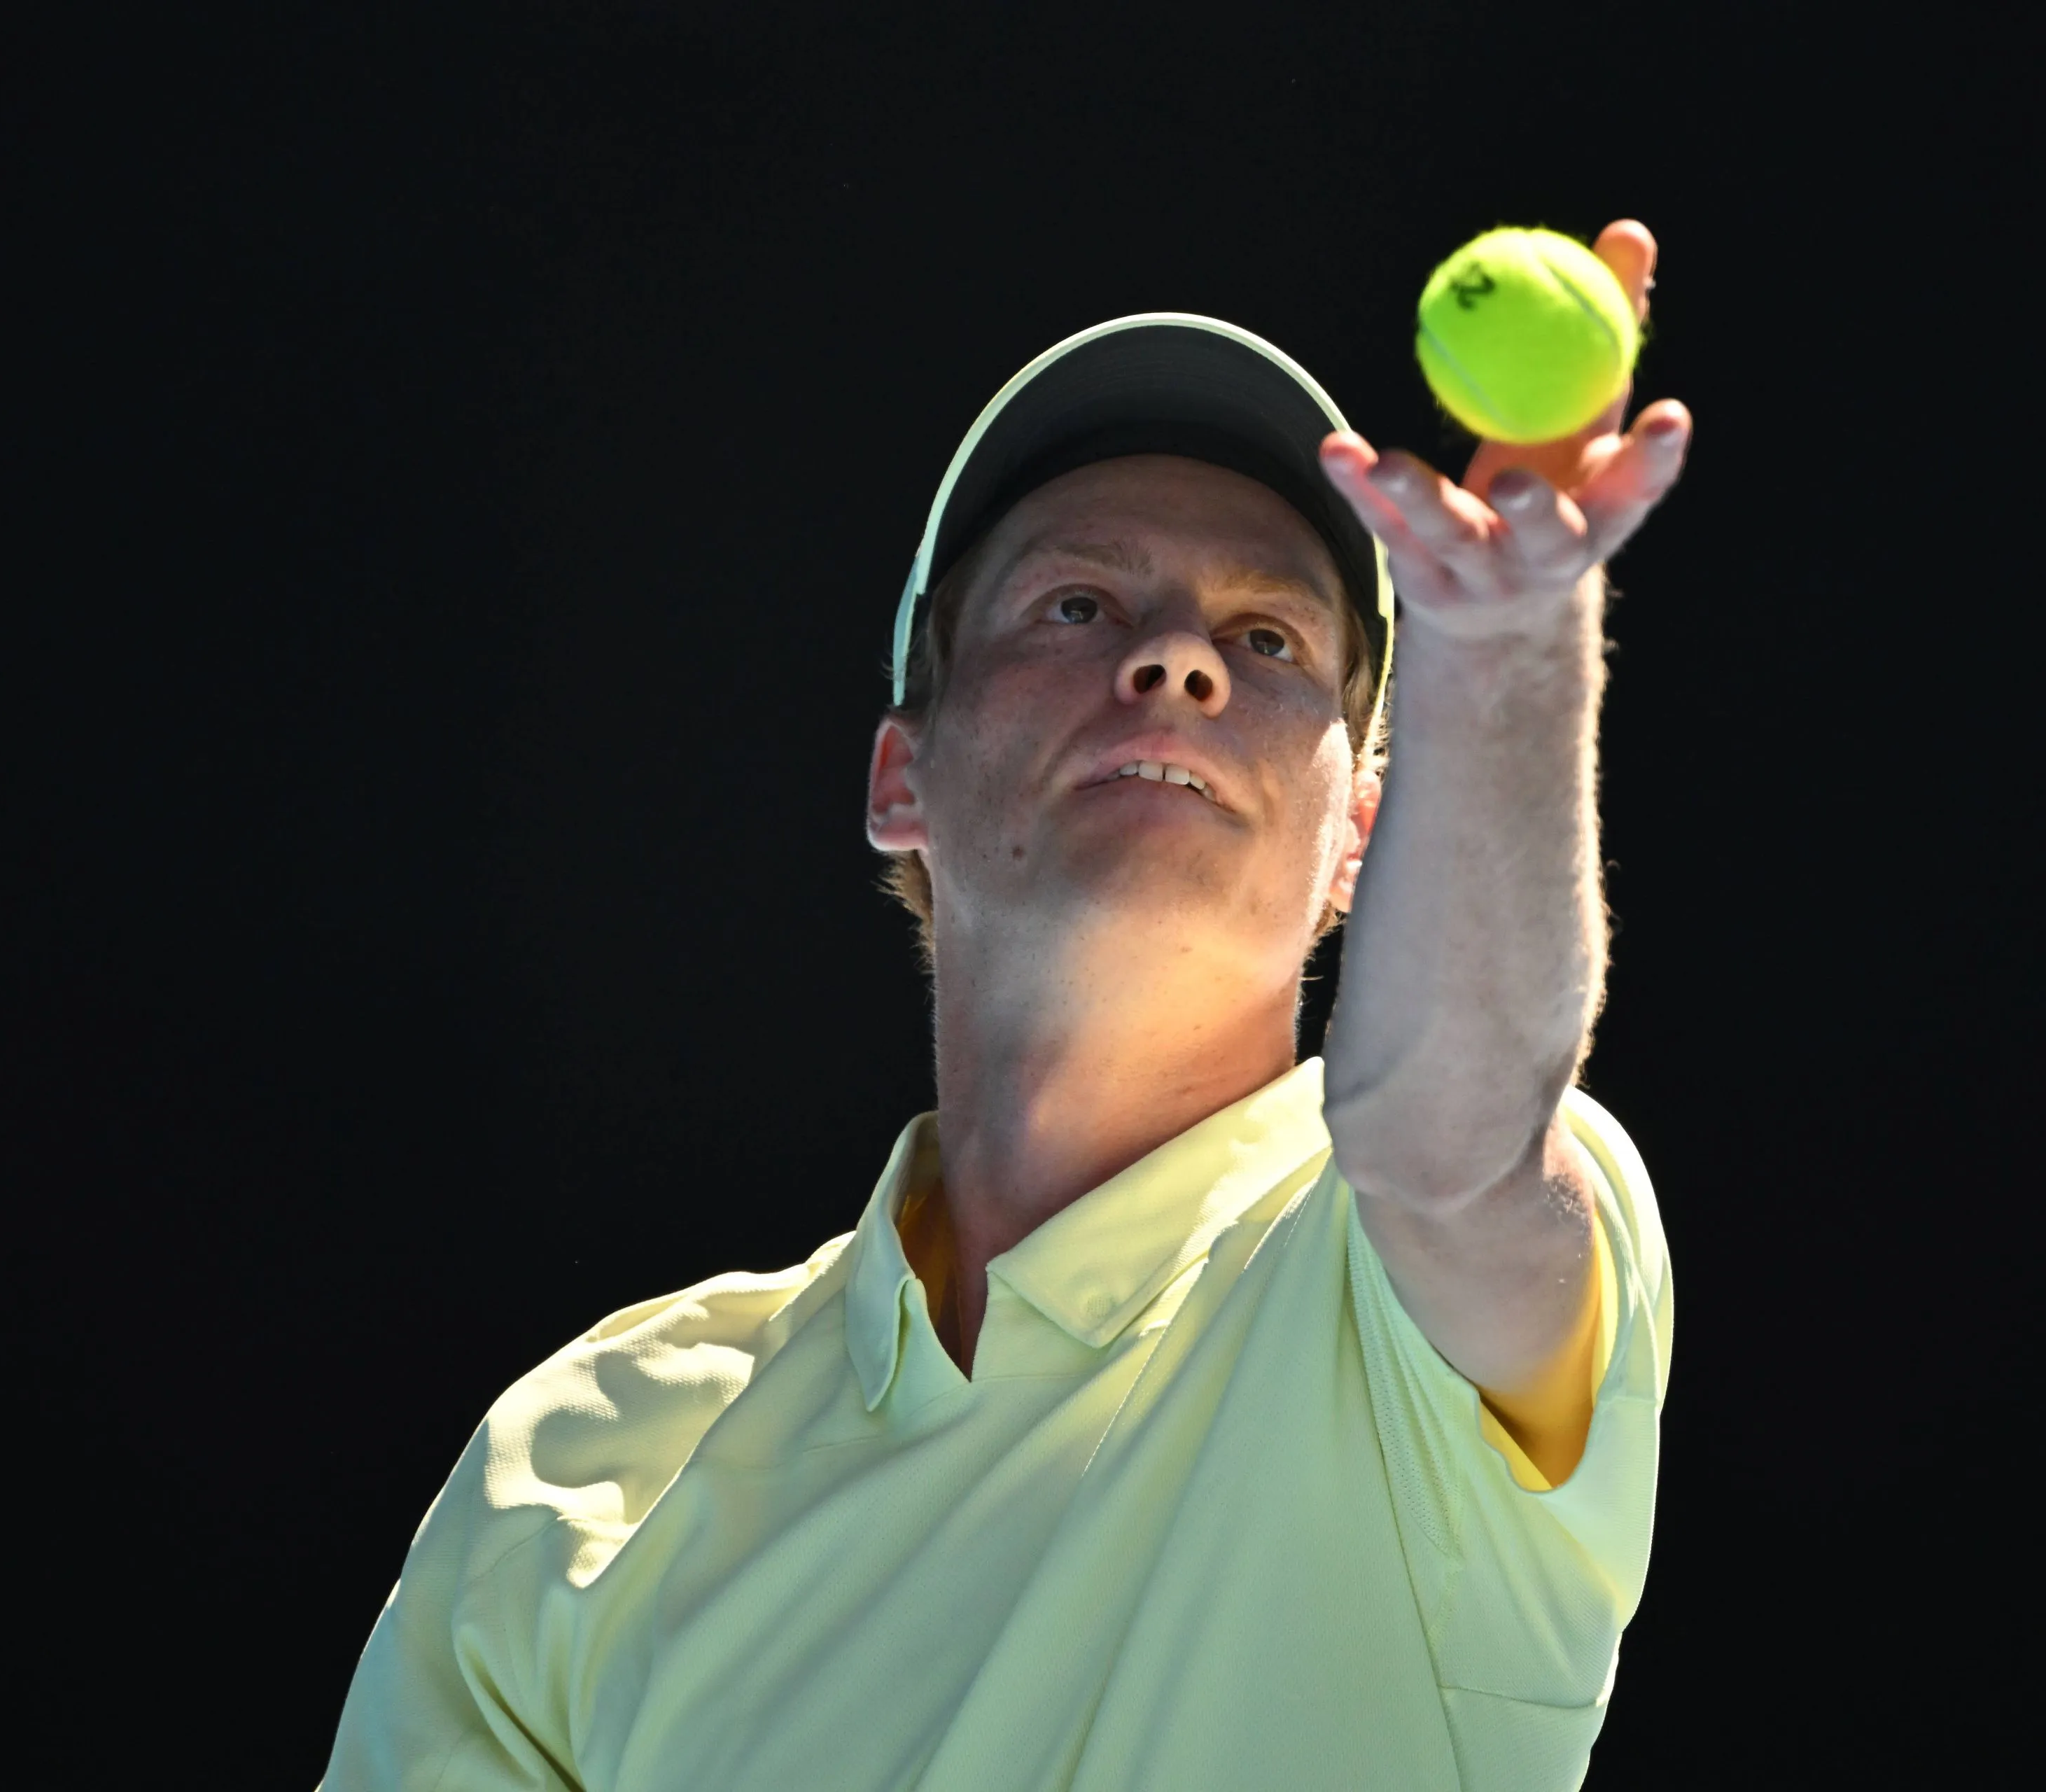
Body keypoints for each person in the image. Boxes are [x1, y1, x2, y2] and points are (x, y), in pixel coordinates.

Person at [321, 218, 1691, 1792]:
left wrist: (1503, 645)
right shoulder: (576, 1461)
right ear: (901, 776)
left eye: (1266, 638)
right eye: (1078, 606)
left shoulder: (1407, 1280)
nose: (1176, 658)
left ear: (1359, 837)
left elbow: (1451, 1147)